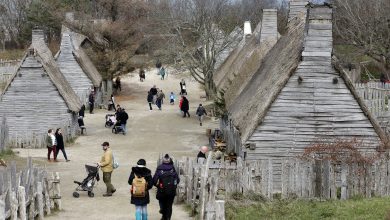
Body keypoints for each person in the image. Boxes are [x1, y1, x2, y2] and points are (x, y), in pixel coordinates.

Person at [153, 154, 180, 220]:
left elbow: (154, 180)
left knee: (162, 202)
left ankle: (163, 213)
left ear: (163, 161)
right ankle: (168, 218)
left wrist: (157, 185)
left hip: (162, 190)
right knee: (169, 205)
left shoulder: (160, 168)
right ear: (169, 161)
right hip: (171, 190)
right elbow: (178, 180)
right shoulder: (172, 168)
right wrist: (174, 186)